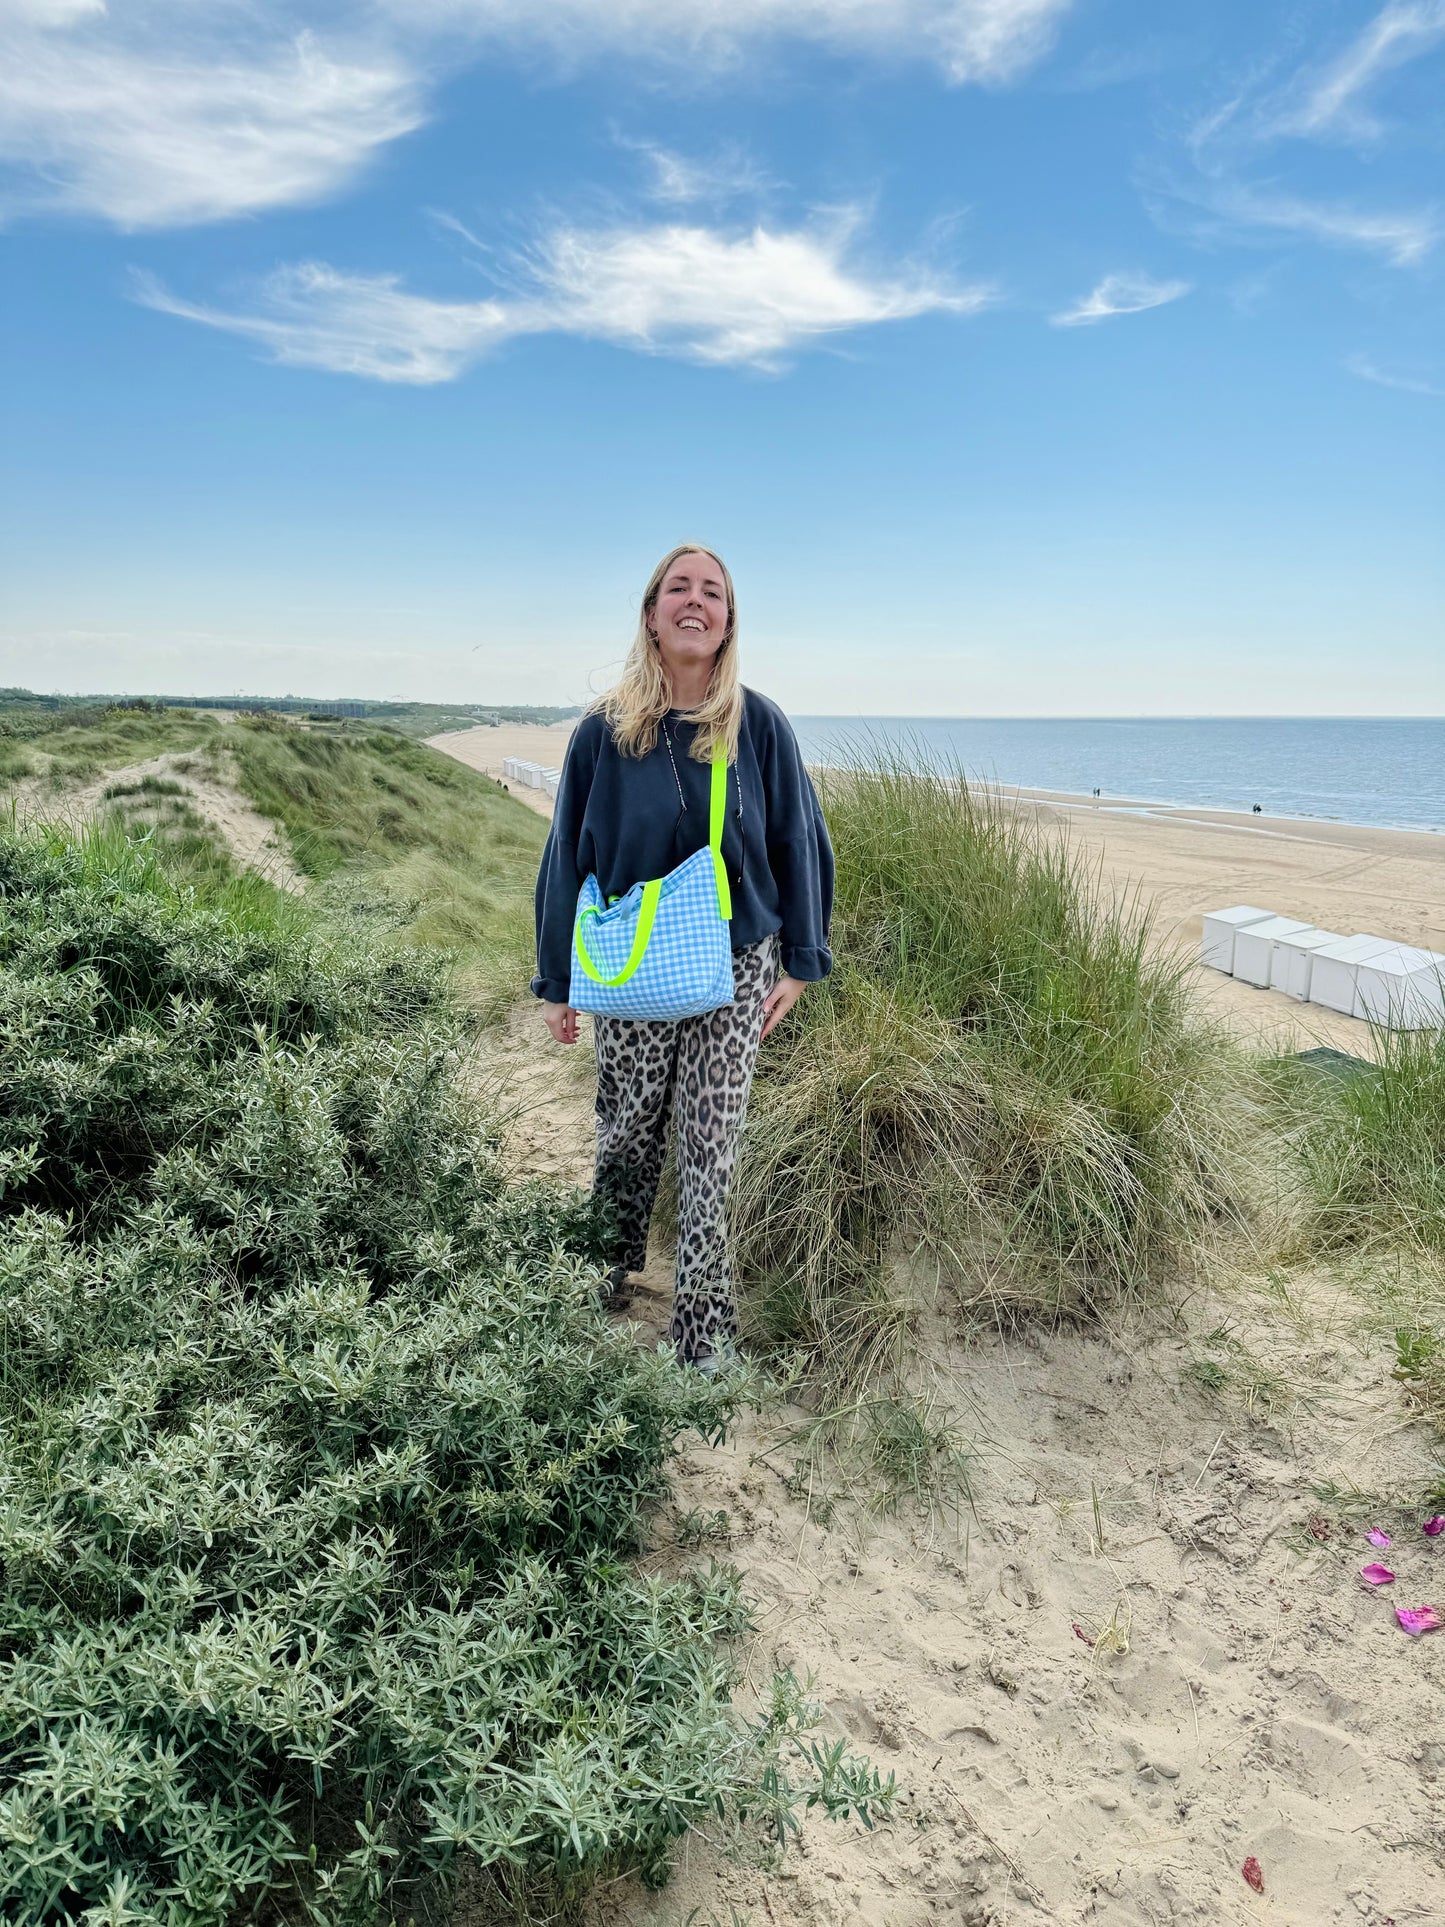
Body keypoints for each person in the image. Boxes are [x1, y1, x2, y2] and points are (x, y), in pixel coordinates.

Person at [531, 544, 834, 1373]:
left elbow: (798, 839)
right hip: (631, 964)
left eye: (712, 592)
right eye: (678, 589)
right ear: (651, 613)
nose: (694, 601)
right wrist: (557, 981)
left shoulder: (757, 722)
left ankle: (703, 1334)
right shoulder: (604, 729)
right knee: (625, 1130)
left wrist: (801, 961)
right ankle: (603, 1269)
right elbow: (566, 854)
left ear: (728, 619)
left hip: (736, 964)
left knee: (711, 1145)